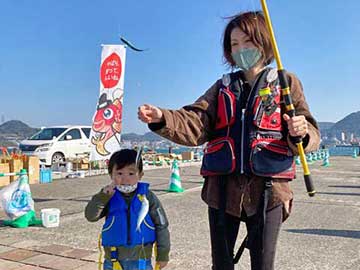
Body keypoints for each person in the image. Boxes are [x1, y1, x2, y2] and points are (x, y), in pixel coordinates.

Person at [137, 11, 320, 270]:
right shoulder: (221, 86)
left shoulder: (286, 81)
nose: (241, 49)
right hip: (222, 192)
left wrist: (301, 131)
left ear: (264, 42)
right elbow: (195, 122)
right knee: (221, 265)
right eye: (234, 44)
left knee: (263, 264)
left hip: (270, 192)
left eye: (248, 42)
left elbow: (309, 129)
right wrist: (162, 118)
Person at [85, 149, 170, 270]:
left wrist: (163, 255)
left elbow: (162, 225)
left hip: (141, 261)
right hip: (113, 260)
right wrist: (102, 197)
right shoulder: (107, 196)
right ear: (111, 175)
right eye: (119, 173)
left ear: (140, 175)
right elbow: (91, 216)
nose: (125, 179)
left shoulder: (148, 197)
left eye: (131, 174)